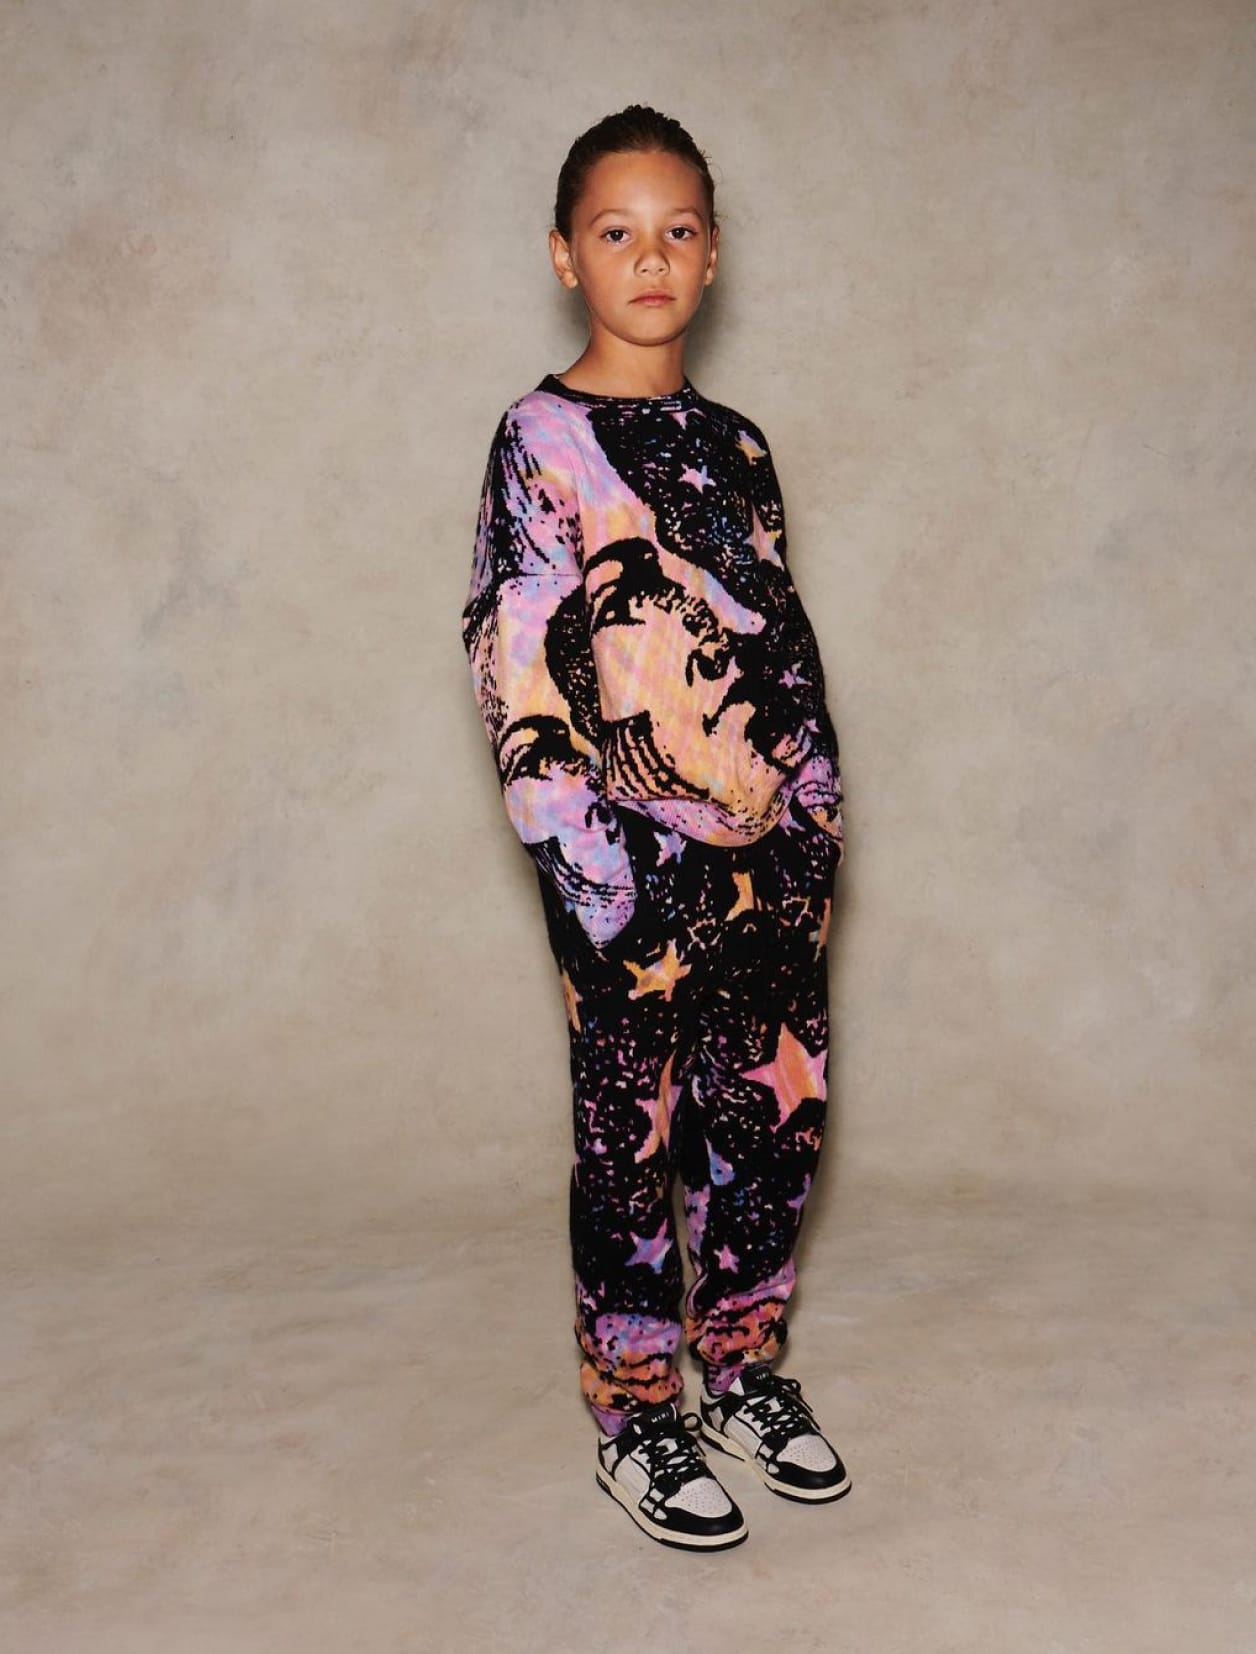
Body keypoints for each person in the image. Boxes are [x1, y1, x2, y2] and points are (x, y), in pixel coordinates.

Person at [462, 105, 849, 1551]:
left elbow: (778, 649)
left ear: (713, 255)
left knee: (777, 1117)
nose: (649, 257)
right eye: (616, 232)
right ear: (565, 256)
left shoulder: (736, 447)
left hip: (767, 862)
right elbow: (516, 665)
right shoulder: (541, 440)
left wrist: (814, 821)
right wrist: (595, 875)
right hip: (625, 878)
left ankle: (741, 1369)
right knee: (631, 1140)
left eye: (677, 230)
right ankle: (636, 1412)